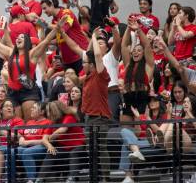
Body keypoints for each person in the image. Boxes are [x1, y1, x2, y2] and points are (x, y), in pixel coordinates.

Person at [0, 21, 59, 121]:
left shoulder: (32, 54)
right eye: (17, 37)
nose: (18, 38)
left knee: (29, 121)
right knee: (16, 123)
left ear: (27, 43)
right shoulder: (10, 52)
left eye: (22, 37)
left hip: (28, 92)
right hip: (12, 92)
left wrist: (57, 28)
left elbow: (46, 40)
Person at [81, 29, 112, 181]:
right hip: (89, 119)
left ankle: (106, 178)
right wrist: (90, 42)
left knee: (100, 149)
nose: (82, 64)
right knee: (90, 150)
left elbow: (97, 55)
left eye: (85, 63)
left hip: (100, 118)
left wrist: (93, 36)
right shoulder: (87, 76)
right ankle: (95, 177)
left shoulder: (100, 73)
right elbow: (88, 55)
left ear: (92, 64)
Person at [118, 95, 167, 183]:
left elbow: (159, 132)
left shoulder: (164, 115)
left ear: (160, 102)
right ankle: (136, 151)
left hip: (155, 142)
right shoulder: (144, 116)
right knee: (124, 130)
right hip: (141, 141)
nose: (151, 103)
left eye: (154, 101)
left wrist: (148, 118)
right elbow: (137, 133)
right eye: (150, 101)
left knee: (125, 146)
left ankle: (129, 177)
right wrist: (137, 119)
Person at [36, 101, 86, 183]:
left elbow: (62, 130)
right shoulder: (53, 121)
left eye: (49, 111)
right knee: (51, 152)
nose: (48, 114)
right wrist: (49, 146)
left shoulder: (69, 117)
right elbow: (44, 139)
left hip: (78, 145)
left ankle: (72, 178)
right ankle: (39, 179)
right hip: (65, 148)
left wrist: (51, 137)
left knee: (74, 153)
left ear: (55, 110)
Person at [41, 0, 88, 74]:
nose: (44, 11)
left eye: (45, 8)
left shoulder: (67, 12)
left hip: (79, 56)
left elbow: (63, 28)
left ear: (52, 5)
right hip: (67, 60)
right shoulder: (54, 20)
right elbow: (60, 39)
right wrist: (44, 42)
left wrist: (46, 25)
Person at [121, 17, 154, 121]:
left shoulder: (148, 65)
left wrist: (138, 30)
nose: (136, 52)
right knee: (125, 130)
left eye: (139, 50)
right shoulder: (128, 64)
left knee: (140, 130)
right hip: (128, 98)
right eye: (134, 50)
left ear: (144, 53)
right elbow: (124, 45)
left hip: (141, 98)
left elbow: (147, 46)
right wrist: (129, 27)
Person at [18, 102, 52, 183]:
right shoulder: (29, 122)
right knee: (12, 152)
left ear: (42, 112)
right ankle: (10, 178)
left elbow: (45, 140)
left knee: (27, 153)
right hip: (26, 146)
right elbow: (21, 134)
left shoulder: (48, 122)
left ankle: (31, 180)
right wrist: (21, 138)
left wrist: (27, 142)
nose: (31, 109)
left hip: (41, 147)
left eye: (34, 108)